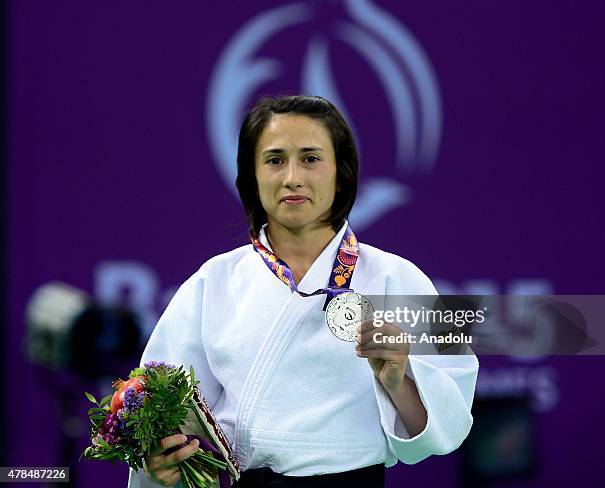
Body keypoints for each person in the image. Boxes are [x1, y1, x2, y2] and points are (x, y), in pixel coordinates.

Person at [127, 95, 478, 487]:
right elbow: (157, 413)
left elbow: (450, 426)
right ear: (251, 176)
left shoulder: (400, 278)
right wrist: (159, 462)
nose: (292, 177)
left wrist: (399, 382)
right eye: (275, 160)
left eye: (310, 159)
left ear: (341, 173)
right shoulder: (213, 282)